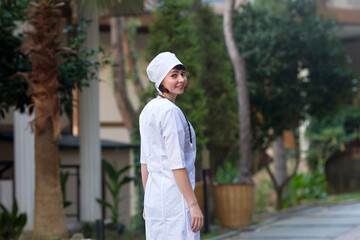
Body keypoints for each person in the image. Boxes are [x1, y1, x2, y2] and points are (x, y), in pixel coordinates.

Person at [139, 52, 204, 240]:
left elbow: (145, 162)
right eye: (173, 75)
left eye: (182, 74)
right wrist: (193, 204)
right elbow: (177, 164)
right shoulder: (170, 112)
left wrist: (148, 198)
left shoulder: (148, 110)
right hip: (176, 201)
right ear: (161, 81)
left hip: (155, 201)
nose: (181, 80)